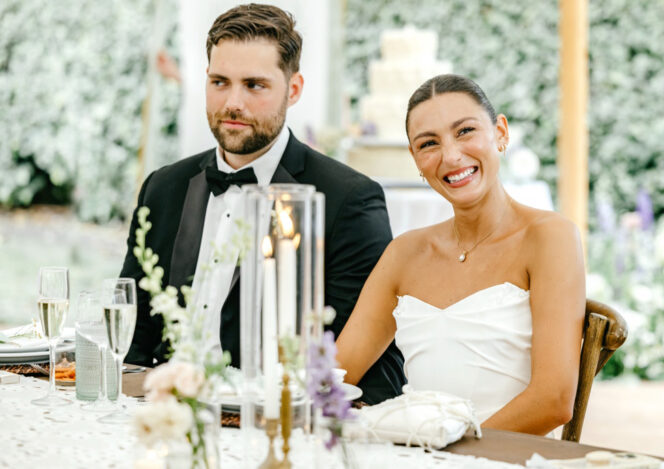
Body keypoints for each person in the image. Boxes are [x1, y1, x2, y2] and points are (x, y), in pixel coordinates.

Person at [119, 4, 405, 404]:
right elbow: (132, 338)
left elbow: (372, 369)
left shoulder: (347, 200)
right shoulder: (163, 188)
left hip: (274, 419)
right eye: (220, 82)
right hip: (166, 413)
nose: (233, 102)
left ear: (294, 89)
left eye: (254, 85)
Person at [334, 74, 585, 435]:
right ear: (416, 159)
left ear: (500, 133)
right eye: (429, 143)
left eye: (465, 131)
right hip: (416, 452)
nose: (451, 156)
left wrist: (450, 451)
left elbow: (554, 400)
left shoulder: (549, 237)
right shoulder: (405, 253)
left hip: (506, 455)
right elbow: (334, 376)